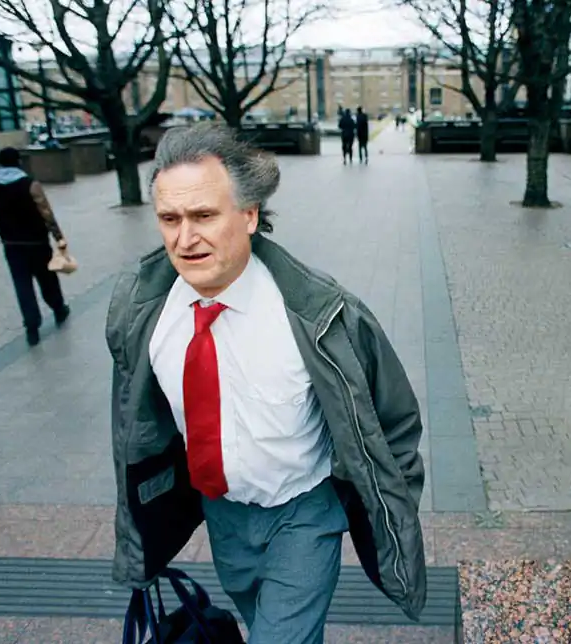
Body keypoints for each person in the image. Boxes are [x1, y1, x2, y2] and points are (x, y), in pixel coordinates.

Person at [105, 123, 426, 644]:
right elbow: (139, 425)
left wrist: (392, 511)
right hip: (222, 514)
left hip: (304, 514)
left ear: (250, 215)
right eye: (170, 219)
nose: (184, 239)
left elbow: (394, 421)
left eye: (204, 216)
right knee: (263, 626)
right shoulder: (141, 312)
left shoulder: (322, 316)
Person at [0, 147, 70, 346]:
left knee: (22, 284)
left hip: (11, 243)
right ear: (18, 162)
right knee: (47, 278)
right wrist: (58, 236)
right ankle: (58, 308)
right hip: (36, 241)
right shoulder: (30, 184)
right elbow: (45, 212)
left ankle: (31, 326)